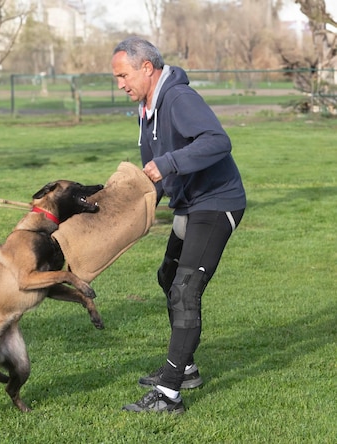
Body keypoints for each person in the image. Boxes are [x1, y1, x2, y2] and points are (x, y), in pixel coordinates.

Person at [111, 37, 246, 413]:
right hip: (189, 204)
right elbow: (155, 173)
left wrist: (169, 164)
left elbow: (218, 141)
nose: (120, 83)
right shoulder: (147, 108)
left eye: (123, 75)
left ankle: (169, 394)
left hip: (218, 203)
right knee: (168, 278)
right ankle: (184, 367)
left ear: (146, 68)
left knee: (186, 291)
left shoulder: (178, 98)